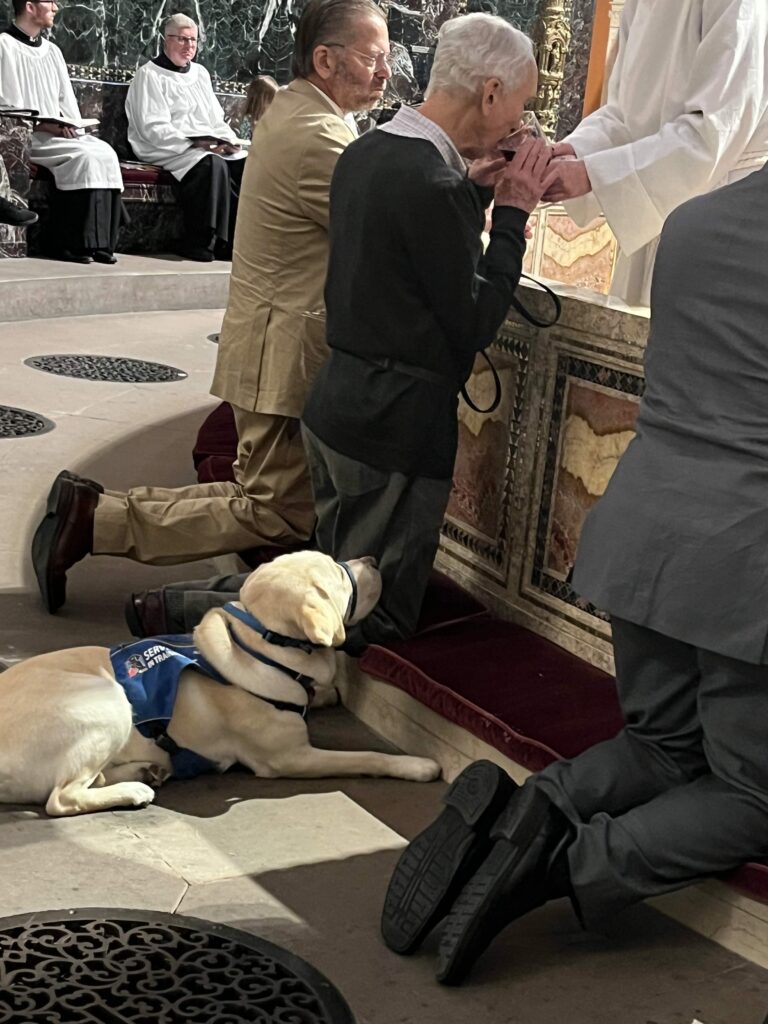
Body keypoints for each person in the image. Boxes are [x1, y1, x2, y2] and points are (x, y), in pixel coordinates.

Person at [380, 163, 768, 985]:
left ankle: (538, 803)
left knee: (661, 745)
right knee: (751, 795)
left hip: (642, 525)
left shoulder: (694, 223)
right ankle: (556, 867)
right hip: (744, 559)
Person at [31, 0, 392, 615]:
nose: (386, 73)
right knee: (276, 511)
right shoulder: (319, 133)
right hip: (282, 348)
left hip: (269, 338)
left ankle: (94, 514)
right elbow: (386, 233)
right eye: (374, 58)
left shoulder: (299, 110)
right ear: (326, 60)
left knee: (268, 499)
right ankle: (97, 523)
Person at [300, 13, 555, 651]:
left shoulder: (368, 151)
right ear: (490, 92)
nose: (519, 125)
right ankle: (182, 619)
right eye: (519, 105)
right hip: (395, 428)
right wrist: (514, 218)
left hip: (340, 404)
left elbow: (408, 264)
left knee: (323, 586)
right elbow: (470, 320)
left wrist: (472, 193)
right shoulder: (434, 184)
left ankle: (173, 611)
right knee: (365, 615)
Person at [544, 0, 768, 305]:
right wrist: (568, 152)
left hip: (718, 217)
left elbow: (714, 132)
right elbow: (623, 114)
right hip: (649, 209)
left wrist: (590, 174)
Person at [0, 0, 124, 263]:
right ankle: (68, 243)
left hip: (57, 132)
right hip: (26, 137)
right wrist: (42, 124)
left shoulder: (53, 51)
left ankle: (101, 243)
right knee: (84, 158)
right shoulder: (4, 45)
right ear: (30, 7)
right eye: (49, 2)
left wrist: (71, 123)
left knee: (105, 152)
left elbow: (66, 101)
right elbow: (6, 105)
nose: (56, 7)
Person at [125, 14, 247, 262]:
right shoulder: (149, 75)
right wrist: (193, 141)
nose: (189, 46)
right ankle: (200, 241)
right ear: (164, 40)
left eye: (193, 40)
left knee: (244, 164)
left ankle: (233, 242)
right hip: (166, 147)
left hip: (205, 145)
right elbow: (151, 126)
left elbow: (215, 119)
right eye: (181, 39)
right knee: (212, 165)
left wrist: (227, 142)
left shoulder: (200, 73)